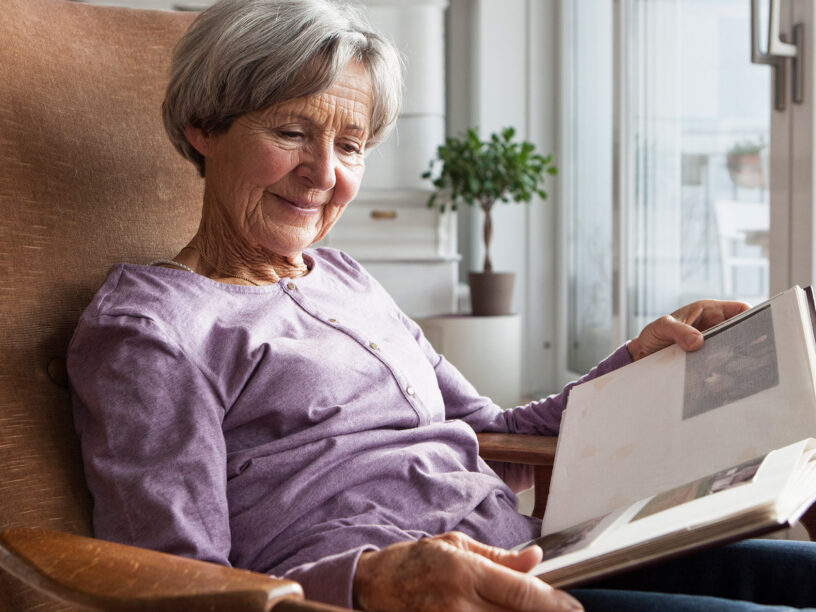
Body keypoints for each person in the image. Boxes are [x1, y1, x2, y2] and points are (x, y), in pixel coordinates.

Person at [66, 1, 816, 610]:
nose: (323, 174)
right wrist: (369, 580)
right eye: (291, 131)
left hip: (537, 552)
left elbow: (488, 431)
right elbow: (174, 580)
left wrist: (636, 365)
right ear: (204, 125)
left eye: (351, 145)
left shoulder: (345, 278)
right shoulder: (150, 329)